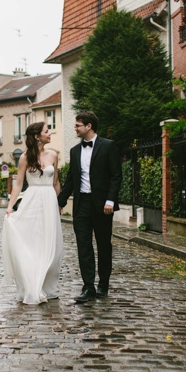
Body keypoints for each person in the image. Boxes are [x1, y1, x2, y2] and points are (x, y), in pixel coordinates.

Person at [58, 111, 122, 303]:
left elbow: (116, 176)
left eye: (78, 125)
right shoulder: (74, 151)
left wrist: (110, 200)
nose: (75, 128)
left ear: (88, 126)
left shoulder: (108, 146)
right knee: (83, 246)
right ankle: (88, 287)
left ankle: (103, 285)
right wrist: (58, 203)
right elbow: (70, 180)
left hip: (103, 205)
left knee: (103, 246)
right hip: (82, 205)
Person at [2, 122, 63, 304]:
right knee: (34, 242)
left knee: (51, 244)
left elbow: (56, 182)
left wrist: (58, 203)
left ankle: (47, 286)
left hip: (50, 202)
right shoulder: (25, 158)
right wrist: (10, 206)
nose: (49, 133)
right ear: (37, 136)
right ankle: (31, 284)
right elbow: (19, 184)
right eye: (46, 131)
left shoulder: (53, 155)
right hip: (32, 200)